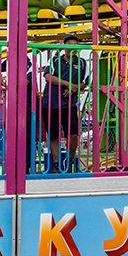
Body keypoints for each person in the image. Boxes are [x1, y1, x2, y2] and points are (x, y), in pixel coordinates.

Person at [42, 33, 89, 173]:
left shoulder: (82, 63)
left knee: (73, 134)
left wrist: (75, 88)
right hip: (50, 102)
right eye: (69, 45)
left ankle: (70, 159)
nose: (72, 48)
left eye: (75, 45)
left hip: (69, 104)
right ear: (64, 46)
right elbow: (48, 76)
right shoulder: (55, 60)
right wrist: (68, 85)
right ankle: (56, 163)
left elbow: (84, 82)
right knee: (54, 134)